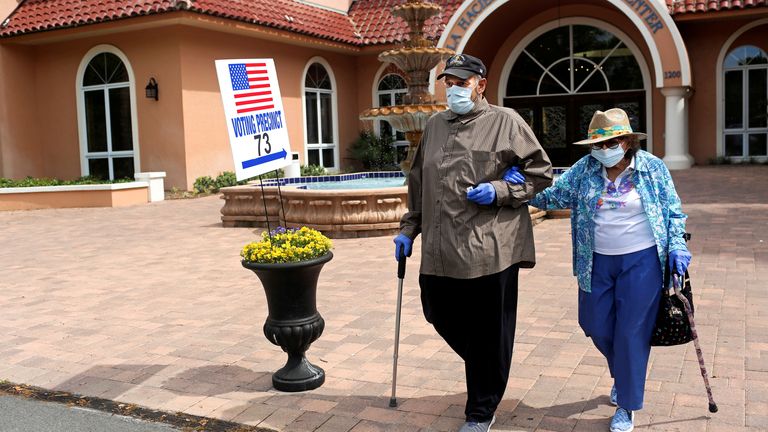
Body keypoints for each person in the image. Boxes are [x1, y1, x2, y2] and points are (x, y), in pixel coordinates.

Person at [502, 108, 692, 432]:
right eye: (598, 145)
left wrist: (678, 245)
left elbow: (673, 211)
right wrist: (520, 187)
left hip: (642, 261)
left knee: (632, 332)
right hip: (596, 260)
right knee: (594, 322)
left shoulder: (652, 168)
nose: (605, 150)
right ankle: (623, 372)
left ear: (627, 141)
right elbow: (553, 196)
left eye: (612, 143)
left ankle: (627, 404)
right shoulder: (585, 170)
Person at [393, 53, 553, 432]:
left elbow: (540, 172)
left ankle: (481, 410)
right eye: (449, 83)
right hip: (440, 247)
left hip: (489, 248)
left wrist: (499, 190)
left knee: (486, 329)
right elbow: (418, 182)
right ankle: (490, 366)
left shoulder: (506, 122)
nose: (453, 90)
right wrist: (408, 228)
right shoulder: (434, 125)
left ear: (481, 84)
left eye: (461, 83)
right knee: (437, 309)